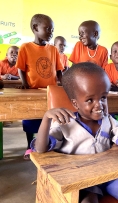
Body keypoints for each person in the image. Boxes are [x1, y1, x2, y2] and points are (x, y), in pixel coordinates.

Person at [31, 62, 118, 203]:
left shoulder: (108, 120)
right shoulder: (66, 124)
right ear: (75, 104)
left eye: (103, 97)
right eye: (90, 100)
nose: (99, 104)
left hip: (109, 174)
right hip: (82, 180)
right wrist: (46, 119)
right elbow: (41, 148)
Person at [15, 14, 63, 160]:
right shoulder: (25, 47)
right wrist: (25, 83)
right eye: (47, 28)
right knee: (30, 119)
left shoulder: (53, 49)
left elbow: (59, 70)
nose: (51, 32)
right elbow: (21, 68)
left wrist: (63, 84)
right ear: (35, 28)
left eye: (52, 29)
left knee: (50, 119)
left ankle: (46, 143)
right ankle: (30, 146)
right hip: (32, 91)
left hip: (50, 92)